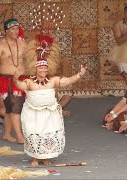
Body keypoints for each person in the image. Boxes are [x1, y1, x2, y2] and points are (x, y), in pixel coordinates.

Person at [14, 32, 87, 166]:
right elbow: (19, 85)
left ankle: (45, 157)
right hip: (33, 113)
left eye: (45, 68)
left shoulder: (53, 80)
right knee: (34, 134)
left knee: (48, 133)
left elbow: (68, 80)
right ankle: (36, 158)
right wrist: (15, 78)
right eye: (41, 68)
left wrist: (79, 75)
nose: (43, 70)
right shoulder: (30, 82)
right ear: (36, 69)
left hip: (49, 112)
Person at [0, 18, 27, 143]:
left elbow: (29, 58)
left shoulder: (22, 43)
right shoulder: (1, 45)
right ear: (6, 31)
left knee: (10, 109)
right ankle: (20, 137)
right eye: (12, 29)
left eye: (17, 29)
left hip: (20, 79)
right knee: (15, 108)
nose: (15, 31)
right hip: (7, 80)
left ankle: (6, 134)